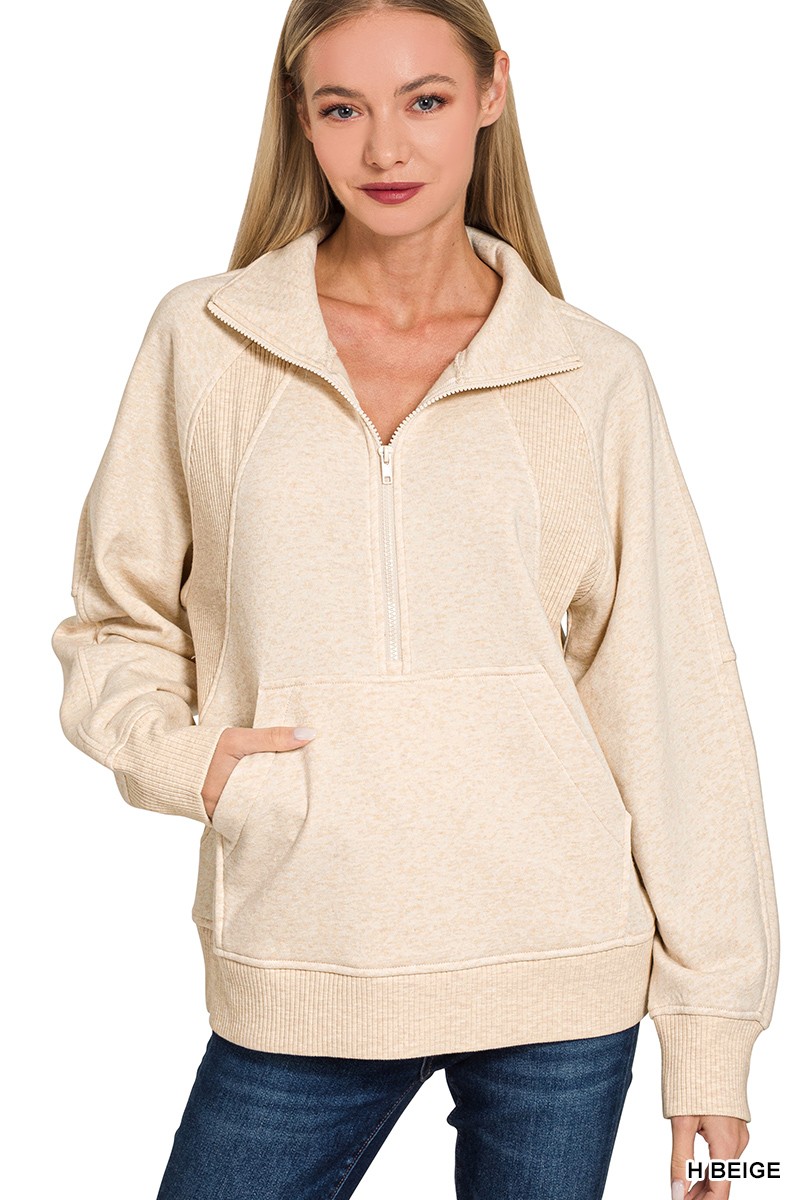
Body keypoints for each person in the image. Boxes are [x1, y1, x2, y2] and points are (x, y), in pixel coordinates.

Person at [51, 1, 780, 1197]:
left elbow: (668, 695)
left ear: (491, 92)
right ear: (301, 119)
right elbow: (116, 617)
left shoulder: (589, 371)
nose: (384, 148)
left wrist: (710, 1035)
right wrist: (194, 763)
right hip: (308, 943)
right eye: (343, 107)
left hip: (560, 967)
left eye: (424, 100)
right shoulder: (208, 339)